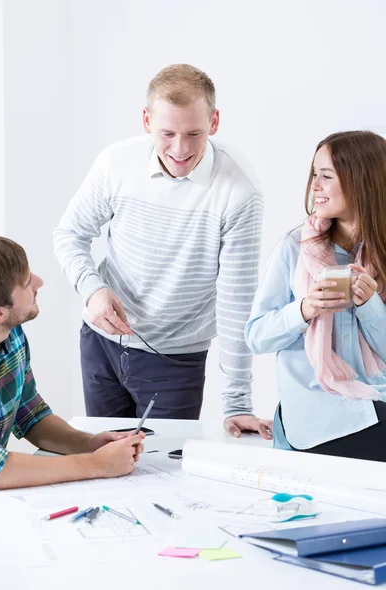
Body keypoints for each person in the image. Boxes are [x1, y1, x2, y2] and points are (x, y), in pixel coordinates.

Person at [54, 63, 272, 439]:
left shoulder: (239, 193)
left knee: (164, 475)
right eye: (167, 133)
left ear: (215, 122)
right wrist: (92, 290)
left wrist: (238, 403)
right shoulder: (115, 163)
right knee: (102, 464)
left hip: (176, 361)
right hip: (100, 345)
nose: (180, 149)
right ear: (146, 120)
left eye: (194, 134)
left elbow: (237, 302)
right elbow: (70, 234)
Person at [245, 130, 386, 460]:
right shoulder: (294, 249)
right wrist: (305, 309)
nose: (315, 186)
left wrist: (370, 305)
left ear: (362, 181)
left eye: (327, 176)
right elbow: (255, 337)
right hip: (317, 410)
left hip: (375, 397)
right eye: (314, 175)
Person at [0, 236, 145, 492]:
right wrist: (98, 465)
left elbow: (30, 414)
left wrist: (90, 444)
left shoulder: (10, 334)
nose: (39, 283)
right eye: (27, 283)